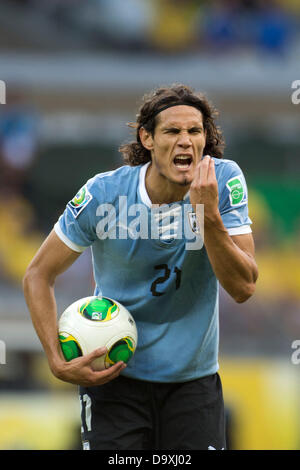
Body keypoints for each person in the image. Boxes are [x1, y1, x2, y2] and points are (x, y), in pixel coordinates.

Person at [23, 84, 258, 450]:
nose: (185, 141)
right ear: (147, 138)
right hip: (113, 380)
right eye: (172, 131)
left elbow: (243, 288)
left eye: (195, 131)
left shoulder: (222, 183)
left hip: (192, 385)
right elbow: (38, 274)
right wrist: (55, 360)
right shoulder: (104, 195)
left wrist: (208, 214)